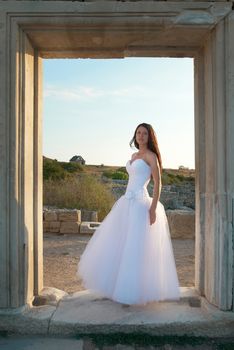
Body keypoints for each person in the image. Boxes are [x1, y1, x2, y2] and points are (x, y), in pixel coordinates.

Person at [77, 122, 180, 305]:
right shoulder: (133, 155)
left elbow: (158, 183)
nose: (141, 136)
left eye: (145, 134)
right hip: (125, 203)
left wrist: (153, 207)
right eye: (138, 133)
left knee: (135, 248)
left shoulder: (151, 156)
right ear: (135, 135)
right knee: (119, 244)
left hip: (141, 204)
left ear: (150, 137)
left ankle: (133, 291)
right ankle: (114, 287)